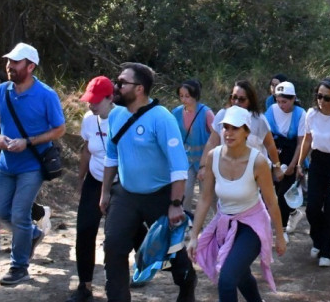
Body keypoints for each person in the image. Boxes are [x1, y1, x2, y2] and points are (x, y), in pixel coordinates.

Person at [100, 62, 196, 302]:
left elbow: (178, 166)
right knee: (113, 246)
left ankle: (187, 287)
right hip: (126, 194)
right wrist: (105, 193)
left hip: (160, 195)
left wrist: (176, 203)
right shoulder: (115, 115)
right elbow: (111, 157)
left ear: (139, 89)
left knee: (172, 253)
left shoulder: (161, 118)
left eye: (122, 83)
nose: (116, 86)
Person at [0, 43, 66, 285]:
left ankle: (19, 266)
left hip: (32, 165)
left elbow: (60, 129)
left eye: (16, 62)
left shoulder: (46, 95)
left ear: (30, 67)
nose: (10, 66)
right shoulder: (1, 91)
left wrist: (28, 142)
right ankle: (31, 234)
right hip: (6, 163)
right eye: (9, 61)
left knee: (20, 213)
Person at [187, 106, 286, 302]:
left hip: (253, 227)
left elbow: (272, 203)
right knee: (240, 275)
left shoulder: (257, 162)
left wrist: (280, 236)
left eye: (235, 128)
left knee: (227, 278)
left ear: (246, 132)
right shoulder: (213, 156)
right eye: (225, 128)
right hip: (226, 223)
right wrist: (194, 235)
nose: (228, 133)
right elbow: (205, 198)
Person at [0, 69, 51, 256]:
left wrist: (22, 141)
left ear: (2, 84)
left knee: (17, 207)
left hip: (22, 160)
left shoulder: (20, 101)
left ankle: (19, 259)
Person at [66, 76, 117, 302]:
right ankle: (84, 285)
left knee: (116, 236)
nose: (91, 104)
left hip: (119, 184)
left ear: (110, 98)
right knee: (85, 231)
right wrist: (81, 178)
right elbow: (87, 149)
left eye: (96, 101)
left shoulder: (122, 119)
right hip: (94, 181)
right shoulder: (89, 119)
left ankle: (117, 283)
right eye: (89, 100)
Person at [296, 79, 330, 267]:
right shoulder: (311, 114)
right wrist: (299, 163)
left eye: (326, 97)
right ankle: (318, 239)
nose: (322, 101)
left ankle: (327, 251)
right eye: (319, 96)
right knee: (312, 207)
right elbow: (307, 139)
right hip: (318, 161)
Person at [202, 81, 283, 191]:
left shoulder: (259, 120)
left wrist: (277, 167)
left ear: (250, 100)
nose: (236, 102)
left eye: (241, 99)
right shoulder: (222, 115)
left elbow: (270, 145)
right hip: (227, 171)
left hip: (254, 173)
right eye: (234, 97)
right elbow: (212, 142)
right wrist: (203, 166)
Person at [263, 82, 306, 235]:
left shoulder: (301, 114)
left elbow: (301, 142)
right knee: (270, 191)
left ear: (293, 99)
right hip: (274, 152)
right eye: (278, 101)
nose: (281, 105)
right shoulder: (271, 110)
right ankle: (294, 213)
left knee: (283, 193)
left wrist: (294, 165)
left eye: (285, 102)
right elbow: (265, 136)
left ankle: (281, 231)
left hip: (291, 154)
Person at [172, 79, 215, 212]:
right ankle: (186, 221)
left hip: (206, 161)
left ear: (195, 95)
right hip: (186, 161)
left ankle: (219, 222)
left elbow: (216, 137)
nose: (184, 99)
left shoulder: (206, 113)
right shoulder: (176, 113)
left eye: (187, 96)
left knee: (210, 195)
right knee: (185, 192)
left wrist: (206, 163)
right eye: (181, 96)